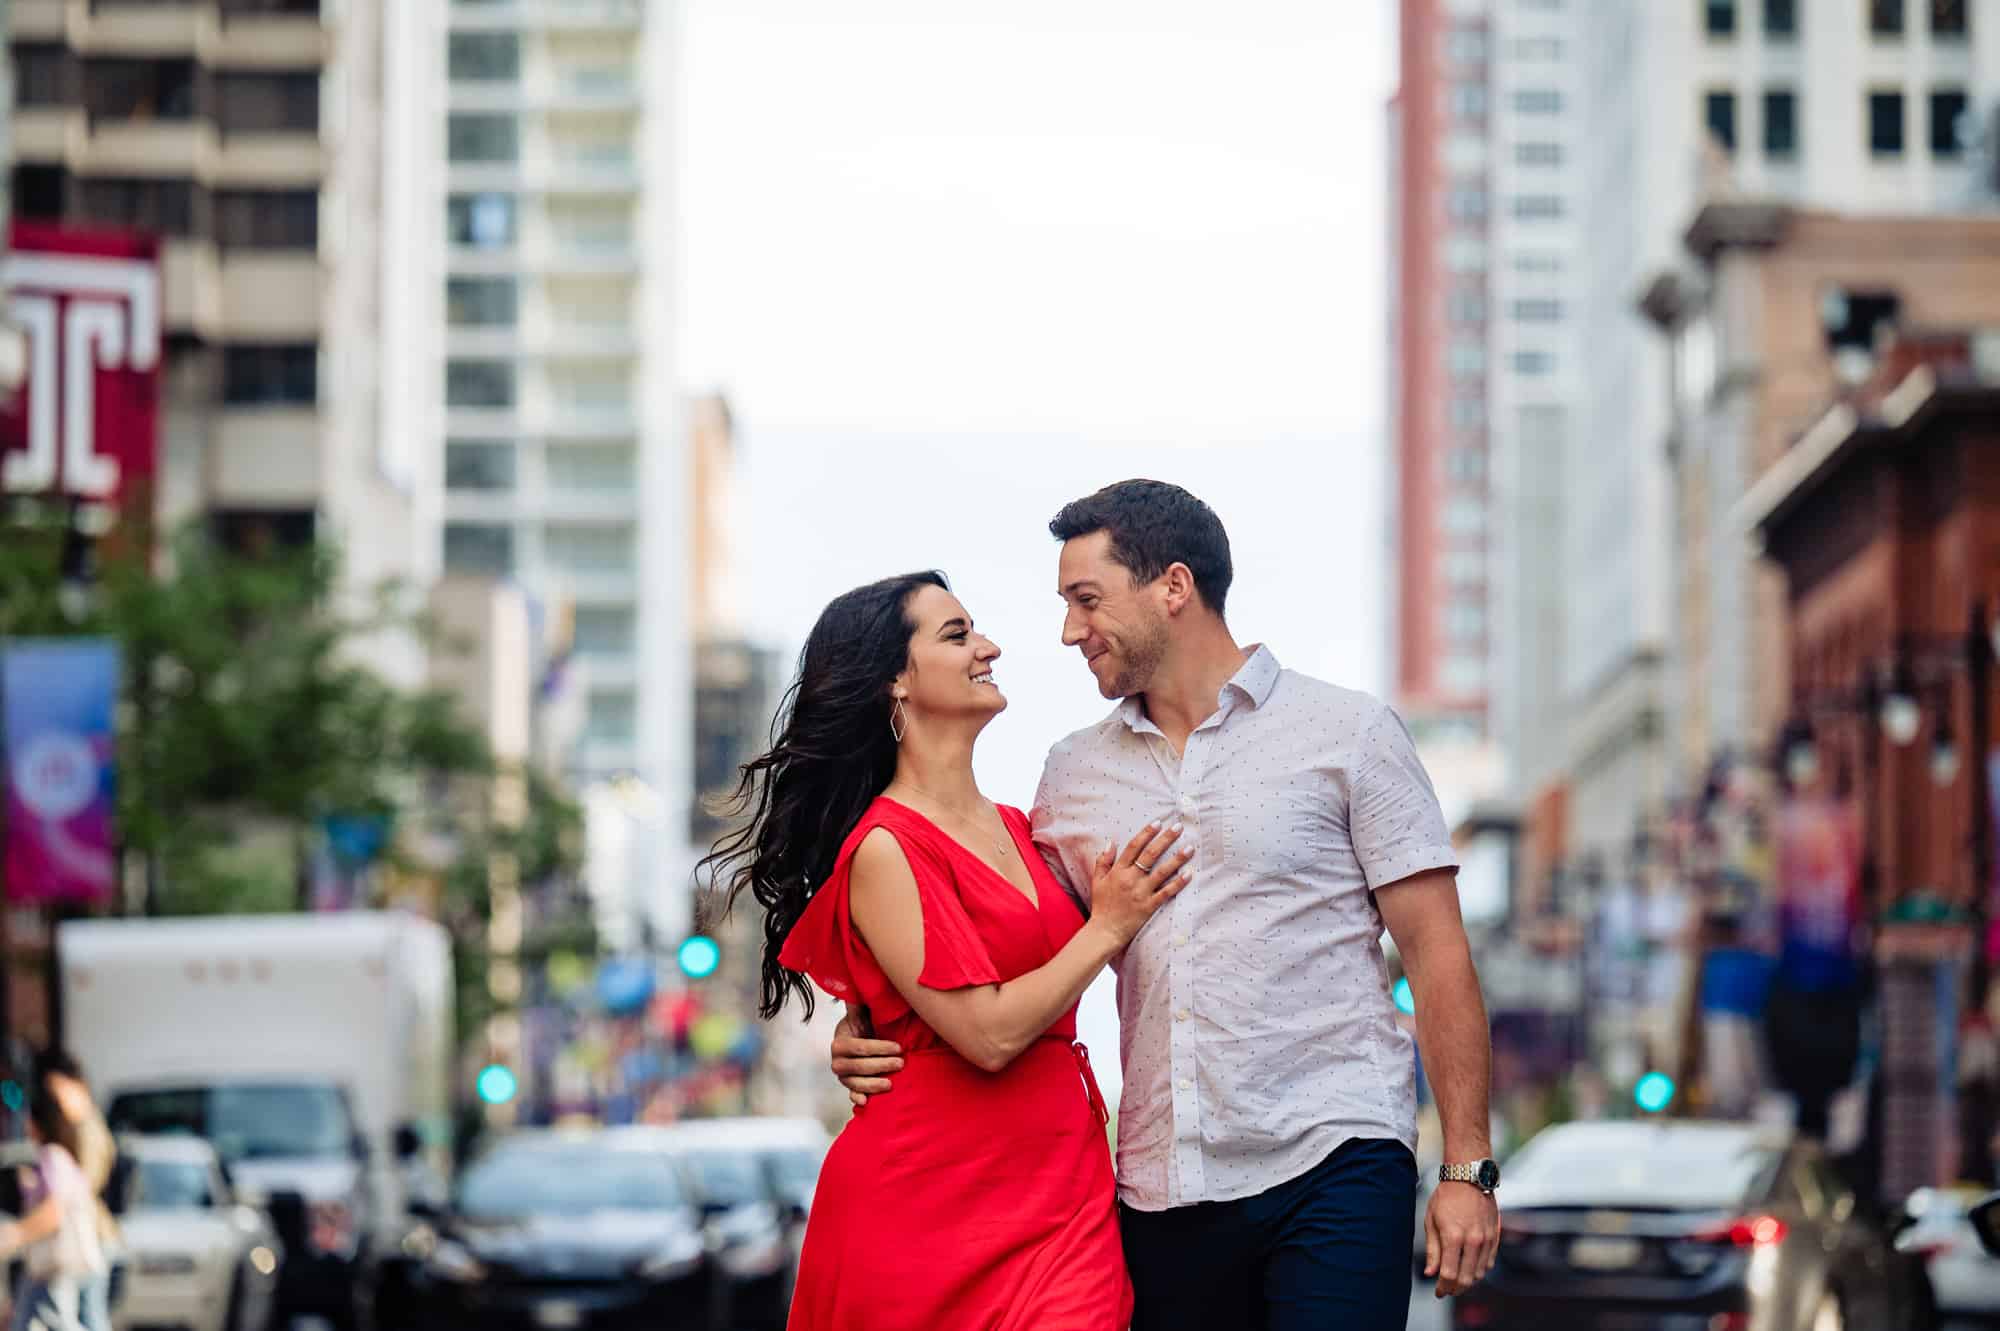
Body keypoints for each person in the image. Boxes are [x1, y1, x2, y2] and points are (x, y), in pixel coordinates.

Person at [834, 480, 1500, 1330]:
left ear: (1173, 588)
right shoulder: (1071, 775)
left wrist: (1466, 1166)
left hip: (1337, 1149)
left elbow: (1438, 953)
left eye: (1087, 600)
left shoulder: (1351, 734)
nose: (1070, 631)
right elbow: (1012, 943)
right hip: (1162, 1181)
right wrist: (875, 1021)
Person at [702, 570, 1186, 1330]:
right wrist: (1105, 926)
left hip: (1063, 1193)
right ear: (894, 681)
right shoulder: (884, 848)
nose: (988, 647)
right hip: (924, 1207)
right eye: (957, 635)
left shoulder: (1029, 828)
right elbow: (987, 1034)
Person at [0, 1081, 108, 1331]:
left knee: (57, 1321)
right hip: (47, 1263)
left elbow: (54, 1210)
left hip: (56, 1261)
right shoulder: (55, 1157)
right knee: (28, 1320)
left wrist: (15, 1234)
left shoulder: (52, 1156)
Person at [29, 1053, 115, 1331]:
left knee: (82, 1319)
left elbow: (79, 1188)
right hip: (80, 1237)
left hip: (86, 1236)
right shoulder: (78, 1127)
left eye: (57, 1088)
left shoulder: (88, 1128)